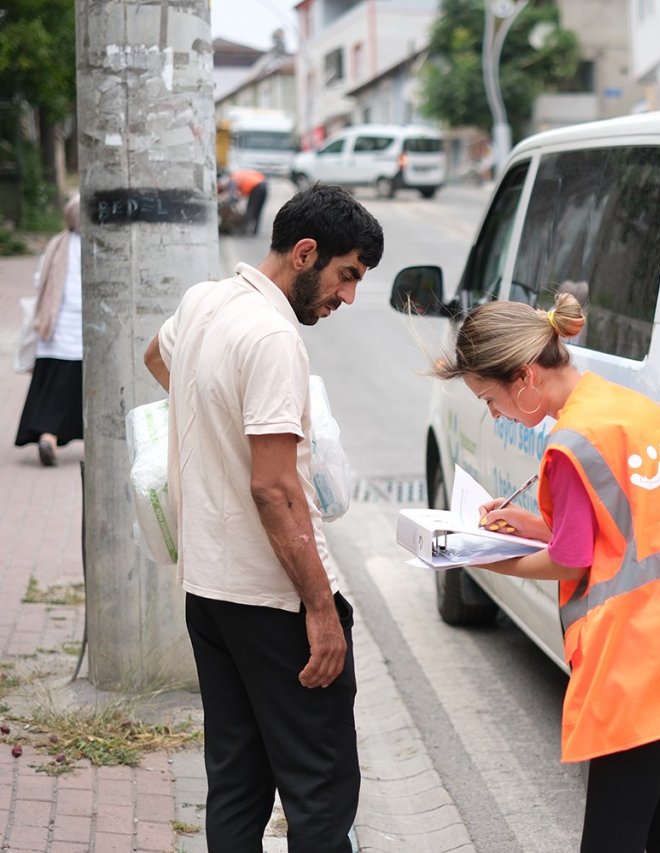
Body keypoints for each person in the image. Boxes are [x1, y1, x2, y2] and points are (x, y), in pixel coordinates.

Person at [432, 292, 660, 853]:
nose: (494, 415)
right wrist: (532, 525)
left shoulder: (572, 443)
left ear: (525, 377)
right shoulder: (636, 409)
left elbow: (571, 559)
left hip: (641, 665)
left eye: (490, 399)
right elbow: (626, 531)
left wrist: (479, 555)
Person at [142, 184, 384, 852]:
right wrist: (321, 611)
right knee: (320, 794)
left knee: (237, 783)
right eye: (346, 275)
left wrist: (215, 423)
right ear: (305, 253)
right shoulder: (274, 336)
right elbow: (274, 490)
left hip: (209, 593)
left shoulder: (205, 301)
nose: (347, 297)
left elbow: (156, 356)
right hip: (276, 601)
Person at [14, 193, 82, 467]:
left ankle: (48, 437)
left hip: (53, 332)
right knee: (82, 393)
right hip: (83, 333)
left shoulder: (56, 245)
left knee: (52, 392)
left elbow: (38, 280)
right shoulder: (97, 246)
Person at [230, 168, 269, 236]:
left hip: (256, 188)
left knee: (251, 208)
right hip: (264, 186)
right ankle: (255, 230)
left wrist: (233, 201)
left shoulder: (233, 178)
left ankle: (245, 228)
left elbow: (233, 194)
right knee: (258, 209)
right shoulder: (243, 173)